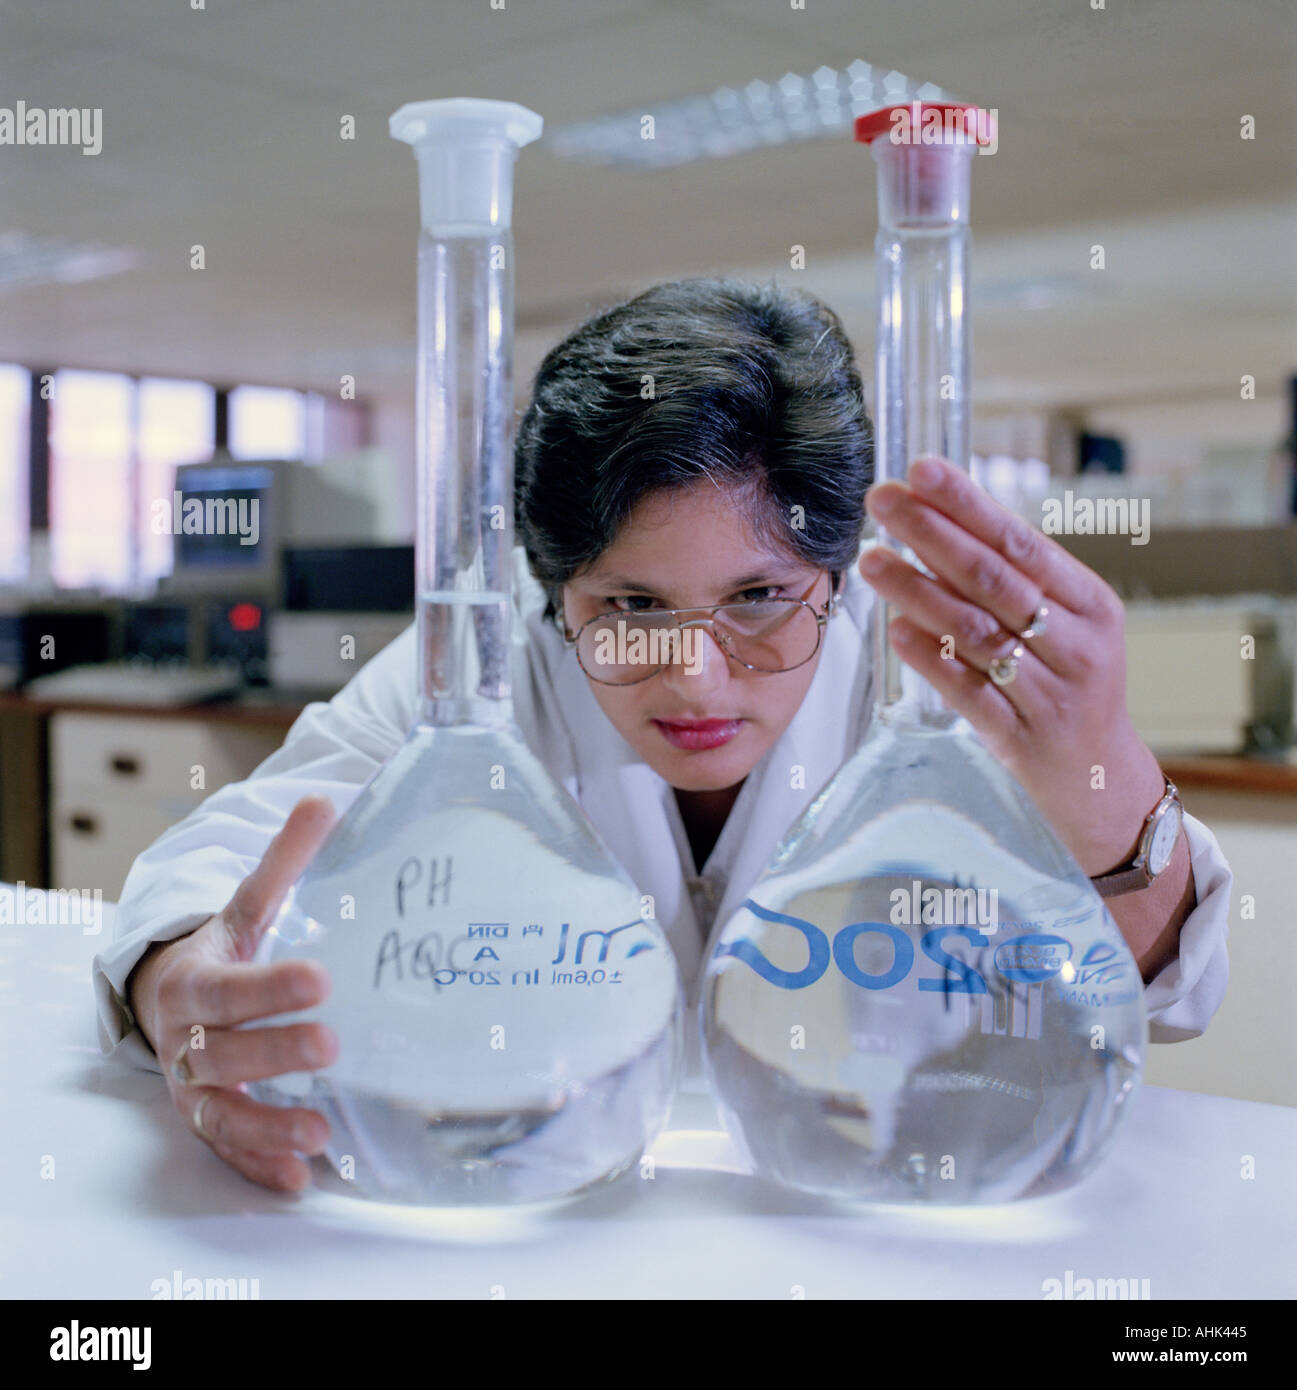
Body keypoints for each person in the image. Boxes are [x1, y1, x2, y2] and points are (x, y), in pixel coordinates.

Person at [92, 278, 1232, 1193]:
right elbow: (216, 857)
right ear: (553, 590)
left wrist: (1101, 762)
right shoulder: (489, 666)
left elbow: (1164, 995)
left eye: (756, 599)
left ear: (835, 573)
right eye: (630, 607)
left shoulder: (924, 668)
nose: (693, 674)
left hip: (863, 1201)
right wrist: (183, 980)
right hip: (555, 1204)